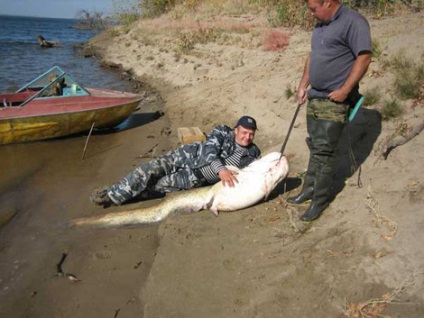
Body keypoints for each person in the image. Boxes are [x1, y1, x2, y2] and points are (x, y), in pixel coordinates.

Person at [286, 0, 372, 221]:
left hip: (334, 100)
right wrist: (303, 84)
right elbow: (313, 55)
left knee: (324, 153)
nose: (312, 13)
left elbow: (364, 57)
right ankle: (308, 189)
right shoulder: (321, 24)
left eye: (314, 8)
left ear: (328, 2)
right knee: (315, 146)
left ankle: (319, 200)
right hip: (315, 96)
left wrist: (345, 90)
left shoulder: (353, 22)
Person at [90, 116, 261, 208]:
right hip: (184, 157)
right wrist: (221, 170)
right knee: (147, 171)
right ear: (236, 129)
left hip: (194, 178)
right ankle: (110, 196)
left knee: (155, 188)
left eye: (251, 134)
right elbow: (210, 150)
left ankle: (121, 194)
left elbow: (254, 175)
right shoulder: (223, 131)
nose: (247, 137)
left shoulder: (253, 153)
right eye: (244, 132)